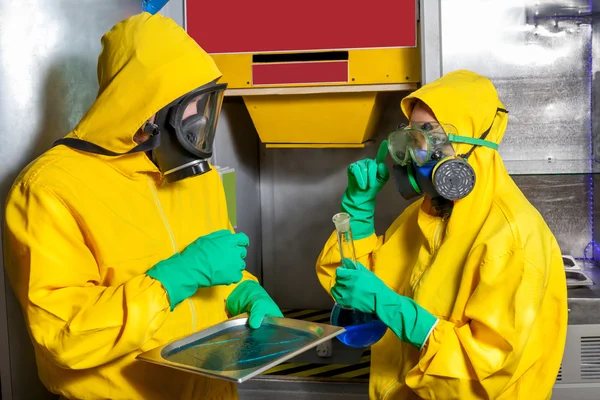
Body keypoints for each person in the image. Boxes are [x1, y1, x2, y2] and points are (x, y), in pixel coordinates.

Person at [3, 12, 282, 400]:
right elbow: (64, 336)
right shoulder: (48, 188)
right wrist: (169, 280)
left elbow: (211, 273)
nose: (202, 122)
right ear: (148, 107)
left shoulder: (197, 177)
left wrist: (243, 292)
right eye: (191, 106)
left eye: (206, 104)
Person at [316, 70, 567, 399]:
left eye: (429, 140)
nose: (414, 158)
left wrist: (394, 308)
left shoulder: (512, 237)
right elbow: (356, 291)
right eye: (411, 141)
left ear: (469, 147)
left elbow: (484, 371)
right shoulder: (425, 215)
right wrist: (359, 213)